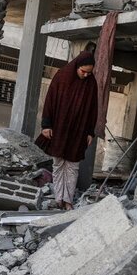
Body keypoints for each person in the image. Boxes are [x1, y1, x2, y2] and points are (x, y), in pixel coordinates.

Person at [35, 50, 98, 210]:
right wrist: (46, 125)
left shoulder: (91, 83)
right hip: (60, 127)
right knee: (58, 163)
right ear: (77, 66)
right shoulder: (61, 77)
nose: (85, 75)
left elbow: (93, 109)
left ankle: (68, 200)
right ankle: (58, 198)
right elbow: (49, 101)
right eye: (83, 72)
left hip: (79, 130)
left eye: (89, 73)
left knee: (73, 165)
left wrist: (90, 131)